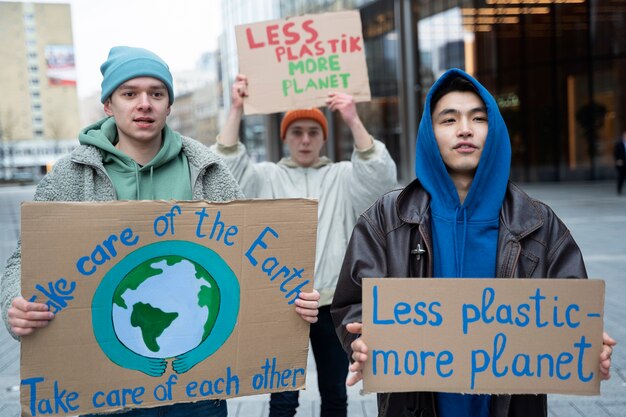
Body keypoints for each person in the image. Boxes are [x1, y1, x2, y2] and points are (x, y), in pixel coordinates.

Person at [0, 46, 320, 417]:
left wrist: (290, 298)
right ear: (108, 105)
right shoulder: (70, 176)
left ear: (168, 105)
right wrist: (14, 304)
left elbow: (250, 256)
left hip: (197, 386)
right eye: (129, 93)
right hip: (104, 388)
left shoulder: (208, 169)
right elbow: (24, 259)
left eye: (156, 93)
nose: (144, 104)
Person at [330, 68, 617, 417]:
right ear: (429, 133)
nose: (465, 129)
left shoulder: (539, 223)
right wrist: (358, 341)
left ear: (494, 129)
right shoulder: (387, 218)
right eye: (449, 120)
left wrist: (587, 348)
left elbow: (571, 311)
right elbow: (351, 303)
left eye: (478, 118)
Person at [212, 74, 397, 417]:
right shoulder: (264, 176)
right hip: (282, 302)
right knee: (282, 398)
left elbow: (380, 179)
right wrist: (236, 108)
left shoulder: (344, 176)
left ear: (324, 138)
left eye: (314, 132)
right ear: (285, 138)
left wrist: (352, 118)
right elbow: (224, 171)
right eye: (297, 132)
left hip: (332, 304)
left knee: (335, 394)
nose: (306, 139)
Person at [613, 130, 626, 195]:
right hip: (622, 163)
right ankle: (619, 190)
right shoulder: (619, 144)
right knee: (621, 177)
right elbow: (615, 154)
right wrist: (617, 160)